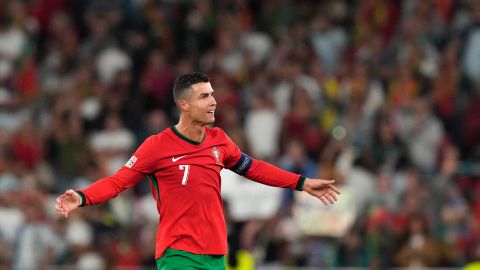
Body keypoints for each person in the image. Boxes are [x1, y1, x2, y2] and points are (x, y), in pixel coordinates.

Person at [55, 72, 341, 270]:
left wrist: (301, 183)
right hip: (178, 253)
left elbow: (254, 168)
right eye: (204, 96)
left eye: (212, 94)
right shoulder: (157, 146)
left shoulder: (219, 140)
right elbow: (118, 182)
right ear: (184, 104)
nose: (214, 101)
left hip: (216, 253)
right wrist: (82, 197)